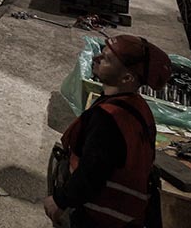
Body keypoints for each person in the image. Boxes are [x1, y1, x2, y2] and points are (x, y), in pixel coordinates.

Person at [45, 35, 172, 227]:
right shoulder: (139, 106)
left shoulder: (108, 119)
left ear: (127, 78)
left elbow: (91, 172)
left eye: (106, 59)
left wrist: (60, 201)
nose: (96, 58)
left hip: (99, 215)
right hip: (128, 216)